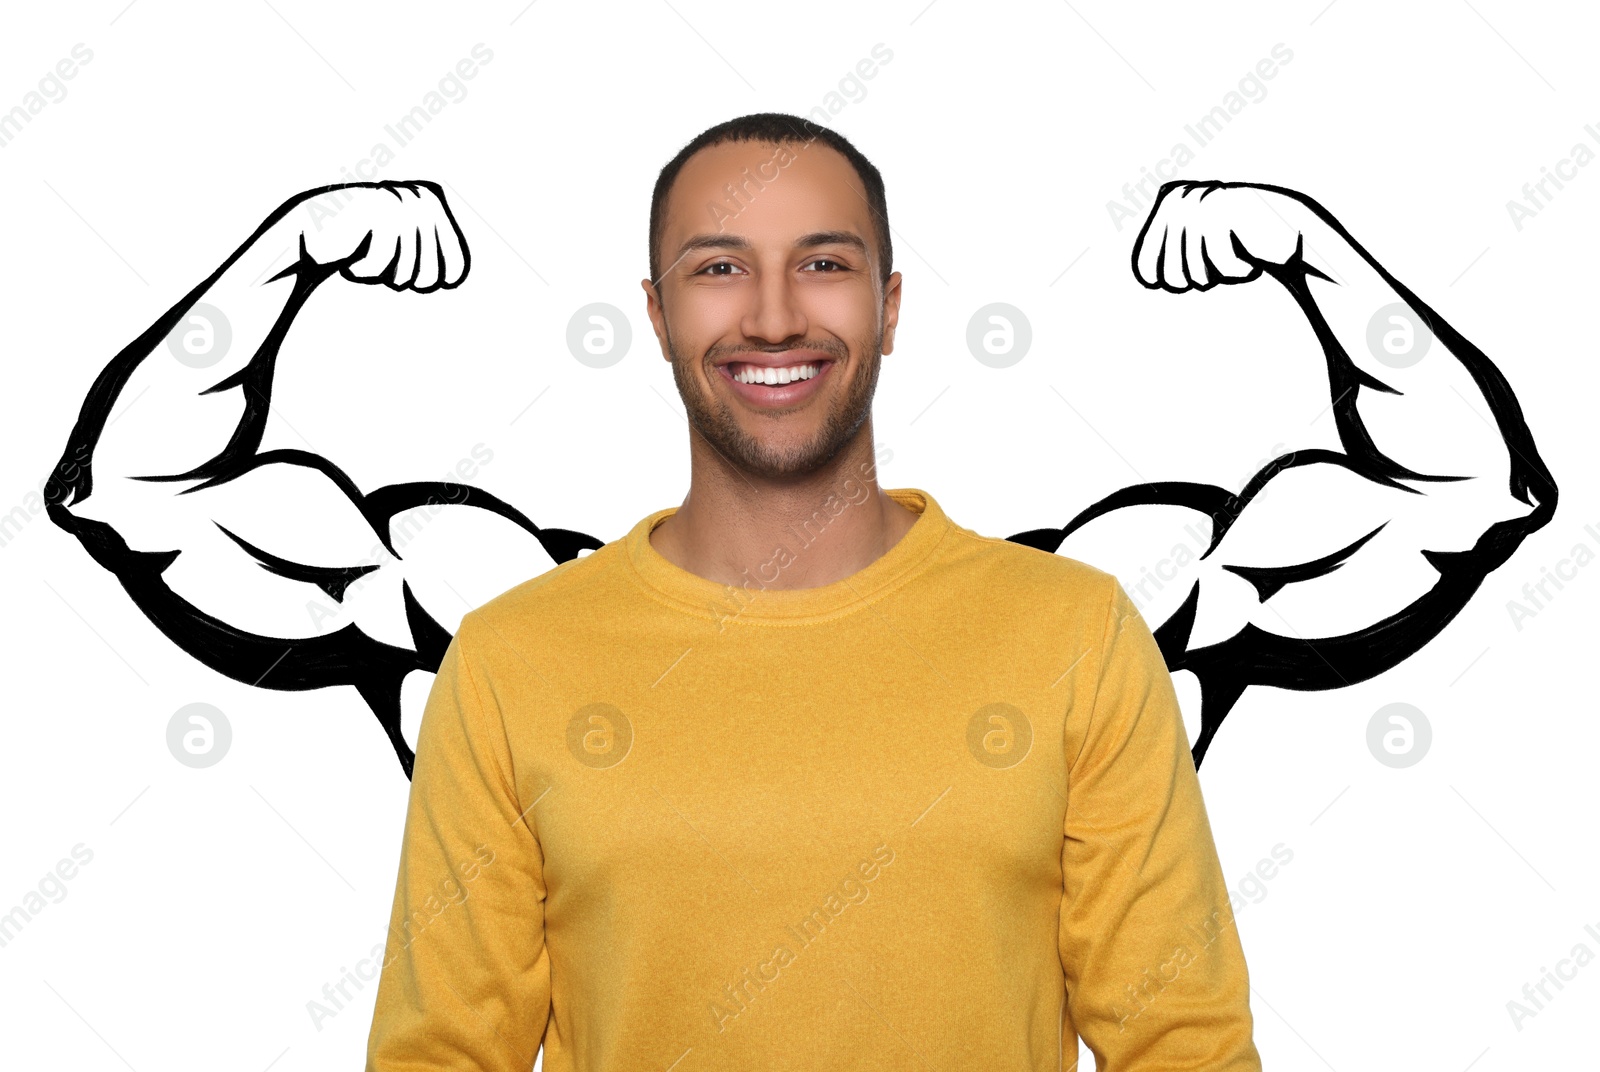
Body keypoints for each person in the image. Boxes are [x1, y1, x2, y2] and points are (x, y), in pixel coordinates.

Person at [364, 112, 1263, 1070]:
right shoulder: (511, 660)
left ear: (890, 305)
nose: (774, 316)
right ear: (658, 314)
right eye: (719, 268)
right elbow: (444, 1055)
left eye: (824, 264)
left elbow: (1183, 1046)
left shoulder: (1076, 635)